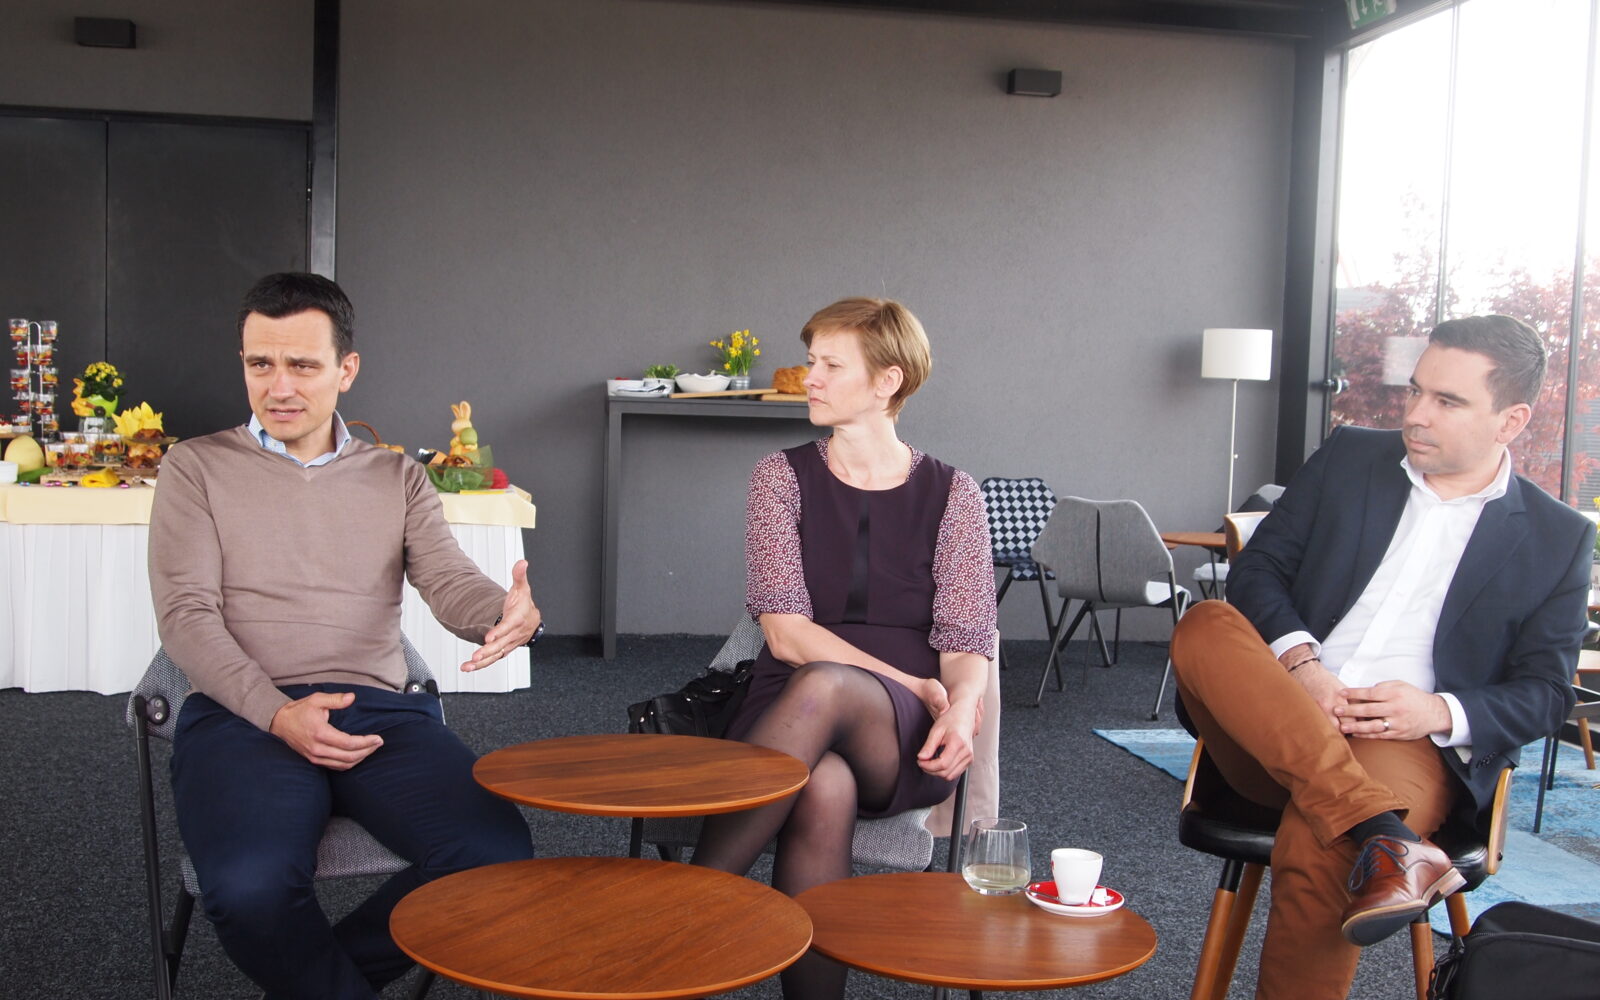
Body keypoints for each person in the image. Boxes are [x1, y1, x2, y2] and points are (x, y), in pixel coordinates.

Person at [1170, 314, 1590, 1000]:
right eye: (1415, 390)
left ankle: (1371, 832)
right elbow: (1258, 570)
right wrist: (1304, 667)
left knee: (1323, 843)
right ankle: (1384, 832)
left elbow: (1546, 693)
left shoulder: (1556, 537)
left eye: (1447, 401)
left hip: (1403, 744)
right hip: (1273, 720)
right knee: (1206, 624)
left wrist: (1435, 710)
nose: (1416, 415)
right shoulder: (1350, 457)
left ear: (1511, 421)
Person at [148, 272, 541, 999]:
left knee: (494, 855)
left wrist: (502, 611)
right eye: (260, 364)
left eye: (302, 365)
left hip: (378, 711)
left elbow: (448, 580)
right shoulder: (195, 467)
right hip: (244, 716)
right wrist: (277, 714)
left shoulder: (397, 477)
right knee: (250, 888)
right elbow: (186, 617)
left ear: (346, 369)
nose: (279, 387)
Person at [690, 297, 998, 1000]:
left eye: (831, 365)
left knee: (828, 687)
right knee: (823, 781)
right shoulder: (779, 476)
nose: (811, 379)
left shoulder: (955, 494)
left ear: (888, 381)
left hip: (900, 731)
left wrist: (959, 708)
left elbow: (965, 637)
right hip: (789, 703)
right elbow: (784, 633)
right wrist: (913, 681)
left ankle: (680, 915)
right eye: (811, 362)